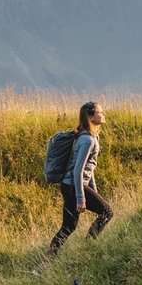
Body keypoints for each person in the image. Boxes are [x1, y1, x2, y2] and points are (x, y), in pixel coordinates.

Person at [37, 100, 112, 269]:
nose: (104, 114)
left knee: (68, 227)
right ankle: (87, 249)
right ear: (90, 116)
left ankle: (44, 265)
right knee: (107, 212)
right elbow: (78, 171)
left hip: (70, 185)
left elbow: (89, 169)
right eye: (100, 112)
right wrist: (81, 199)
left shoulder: (91, 137)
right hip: (73, 186)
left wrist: (94, 192)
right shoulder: (87, 140)